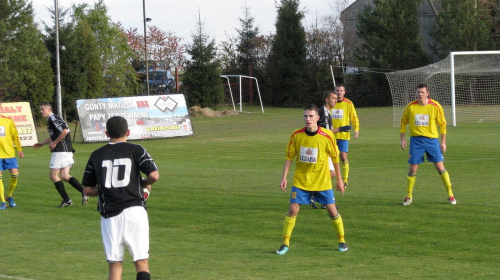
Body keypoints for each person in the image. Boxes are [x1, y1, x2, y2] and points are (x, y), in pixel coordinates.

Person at [82, 116, 159, 280]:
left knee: (115, 267)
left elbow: (87, 190)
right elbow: (154, 175)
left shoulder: (96, 155)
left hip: (110, 215)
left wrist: (103, 190)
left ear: (106, 133)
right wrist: (143, 183)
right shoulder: (136, 149)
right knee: (141, 263)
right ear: (128, 132)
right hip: (135, 211)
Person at [276, 104, 348, 255]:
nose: (307, 119)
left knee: (331, 210)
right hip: (301, 181)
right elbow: (289, 156)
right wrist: (284, 177)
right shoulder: (296, 135)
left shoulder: (327, 136)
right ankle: (285, 243)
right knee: (293, 209)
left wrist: (340, 180)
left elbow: (335, 159)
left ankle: (342, 240)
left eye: (310, 116)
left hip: (322, 181)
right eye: (305, 116)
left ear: (317, 118)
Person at [400, 83, 456, 206]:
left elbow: (443, 124)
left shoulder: (435, 106)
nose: (420, 94)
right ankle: (408, 196)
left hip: (432, 141)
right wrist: (402, 138)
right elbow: (403, 122)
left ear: (427, 93)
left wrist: (443, 142)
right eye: (418, 92)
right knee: (413, 168)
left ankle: (450, 195)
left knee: (440, 167)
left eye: (422, 92)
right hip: (416, 141)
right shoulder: (410, 107)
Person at [33, 102, 88, 207]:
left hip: (61, 151)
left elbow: (64, 131)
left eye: (42, 109)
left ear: (49, 109)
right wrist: (42, 143)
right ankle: (84, 192)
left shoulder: (53, 118)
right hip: (66, 151)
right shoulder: (51, 120)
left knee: (53, 175)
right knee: (64, 175)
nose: (41, 111)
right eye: (40, 109)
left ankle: (67, 200)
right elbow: (55, 136)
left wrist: (55, 143)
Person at [310, 91, 351, 209]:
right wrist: (341, 129)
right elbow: (324, 132)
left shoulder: (327, 112)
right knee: (330, 173)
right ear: (327, 100)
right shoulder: (323, 112)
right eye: (333, 98)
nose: (336, 99)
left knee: (329, 173)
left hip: (325, 146)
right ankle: (316, 197)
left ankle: (316, 196)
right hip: (322, 147)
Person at [331, 85, 359, 188]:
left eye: (341, 90)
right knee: (330, 158)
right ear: (334, 91)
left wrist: (356, 129)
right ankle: (328, 178)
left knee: (343, 157)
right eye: (337, 90)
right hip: (331, 135)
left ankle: (345, 180)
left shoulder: (348, 103)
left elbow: (354, 117)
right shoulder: (331, 102)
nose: (339, 92)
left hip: (343, 135)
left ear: (344, 92)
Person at [0, 111, 24, 210]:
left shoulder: (8, 120)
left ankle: (9, 196)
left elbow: (15, 136)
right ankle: (2, 201)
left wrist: (19, 149)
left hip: (9, 153)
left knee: (15, 176)